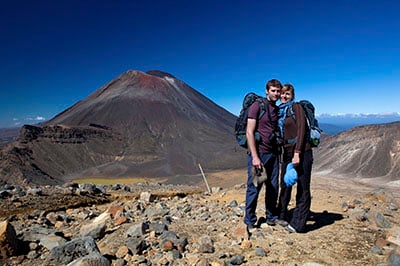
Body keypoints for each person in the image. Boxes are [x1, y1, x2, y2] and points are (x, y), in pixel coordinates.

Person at [244, 79, 282, 233]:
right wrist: (255, 157)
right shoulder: (257, 106)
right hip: (259, 154)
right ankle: (250, 220)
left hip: (273, 154)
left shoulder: (275, 109)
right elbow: (249, 132)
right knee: (254, 187)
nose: (276, 94)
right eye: (273, 90)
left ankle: (271, 217)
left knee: (273, 187)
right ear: (267, 91)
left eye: (278, 91)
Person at [277, 83, 314, 233]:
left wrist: (297, 152)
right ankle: (282, 215)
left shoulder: (296, 107)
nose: (284, 96)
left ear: (293, 96)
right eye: (283, 94)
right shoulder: (280, 112)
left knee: (303, 187)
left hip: (302, 152)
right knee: (285, 184)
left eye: (288, 94)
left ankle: (298, 224)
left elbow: (301, 129)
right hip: (287, 153)